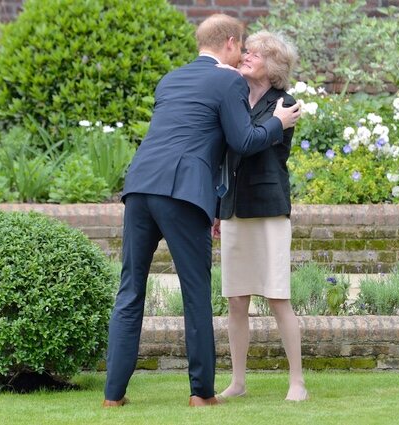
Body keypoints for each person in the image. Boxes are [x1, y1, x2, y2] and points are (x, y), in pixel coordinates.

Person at [103, 14, 301, 408]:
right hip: (181, 193)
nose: (242, 54)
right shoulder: (227, 80)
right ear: (229, 42)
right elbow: (243, 140)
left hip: (139, 187)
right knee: (195, 294)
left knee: (129, 292)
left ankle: (113, 396)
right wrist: (277, 123)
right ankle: (201, 394)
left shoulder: (170, 78)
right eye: (241, 46)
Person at [213, 31, 308, 402]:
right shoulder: (235, 97)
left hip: (268, 210)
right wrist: (219, 209)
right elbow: (227, 156)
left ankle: (297, 381)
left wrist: (274, 123)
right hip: (235, 208)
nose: (247, 55)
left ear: (275, 66)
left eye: (257, 53)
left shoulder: (286, 104)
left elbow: (249, 142)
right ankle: (237, 382)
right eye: (247, 51)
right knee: (236, 300)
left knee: (277, 296)